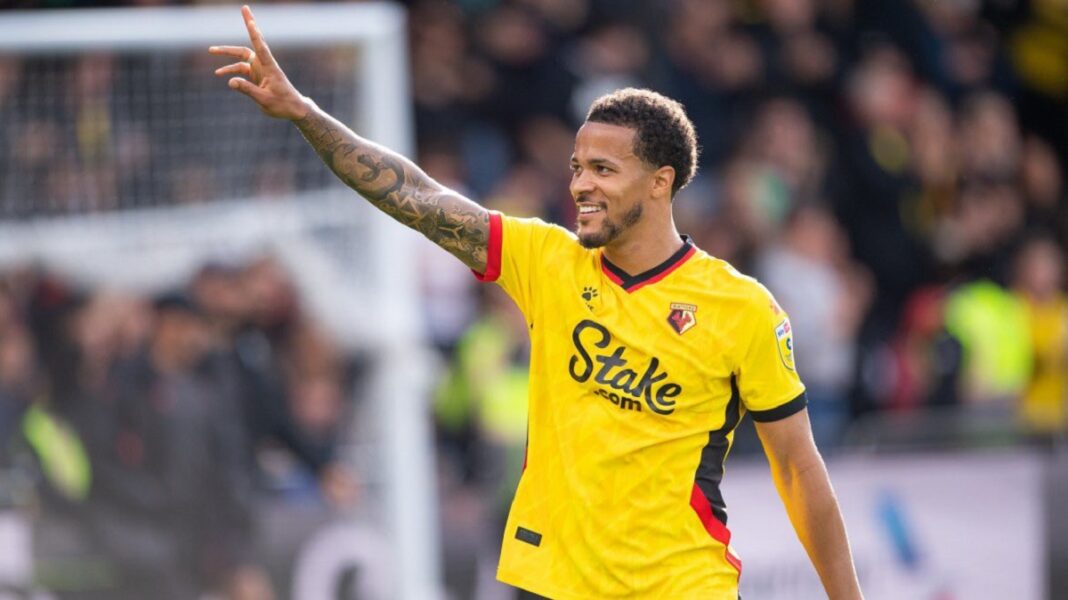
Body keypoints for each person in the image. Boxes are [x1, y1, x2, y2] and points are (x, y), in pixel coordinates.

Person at [210, 6, 863, 598]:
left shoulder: (742, 308)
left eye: (603, 169)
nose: (580, 185)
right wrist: (305, 113)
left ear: (660, 182)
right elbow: (416, 197)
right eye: (577, 167)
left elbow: (799, 471)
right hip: (556, 585)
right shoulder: (548, 260)